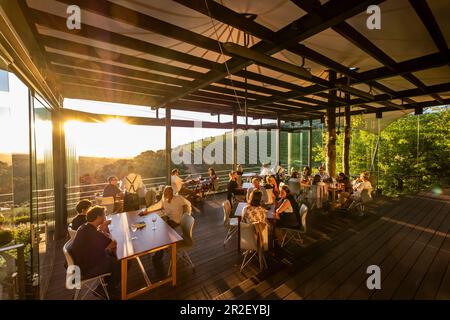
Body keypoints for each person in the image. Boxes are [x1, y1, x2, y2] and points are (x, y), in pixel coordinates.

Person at [68, 206, 119, 298]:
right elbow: (113, 244)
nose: (105, 217)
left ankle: (107, 283)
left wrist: (102, 230)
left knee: (111, 255)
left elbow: (102, 242)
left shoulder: (84, 227)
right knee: (121, 261)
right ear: (98, 217)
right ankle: (106, 289)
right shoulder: (93, 233)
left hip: (81, 263)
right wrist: (104, 228)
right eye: (104, 215)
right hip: (87, 269)